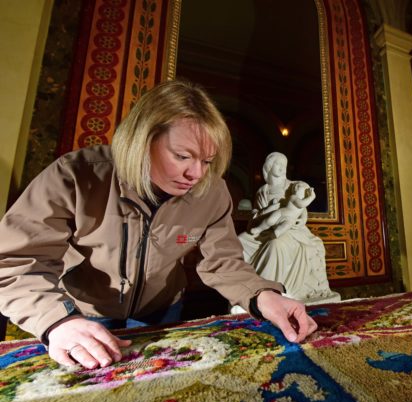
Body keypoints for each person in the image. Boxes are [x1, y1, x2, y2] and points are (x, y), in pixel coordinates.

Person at [0, 80, 317, 370]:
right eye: (182, 156)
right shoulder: (76, 176)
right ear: (142, 139)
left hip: (163, 311)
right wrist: (58, 322)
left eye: (207, 161)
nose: (196, 174)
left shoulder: (213, 191)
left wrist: (262, 295)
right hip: (82, 313)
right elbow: (15, 261)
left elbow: (224, 262)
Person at [238, 152, 336, 303]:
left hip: (291, 230)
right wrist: (259, 215)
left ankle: (267, 293)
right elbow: (258, 214)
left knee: (275, 245)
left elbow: (302, 209)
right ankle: (246, 289)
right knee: (240, 241)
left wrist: (302, 220)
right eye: (277, 164)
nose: (281, 167)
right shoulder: (262, 191)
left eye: (284, 164)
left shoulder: (294, 186)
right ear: (269, 168)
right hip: (266, 229)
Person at [249, 181, 316, 238]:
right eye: (296, 186)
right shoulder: (293, 197)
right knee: (269, 220)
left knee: (286, 225)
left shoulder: (304, 207)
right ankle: (258, 229)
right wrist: (312, 197)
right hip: (281, 212)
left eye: (300, 186)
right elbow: (302, 204)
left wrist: (302, 221)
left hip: (290, 219)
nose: (296, 187)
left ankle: (277, 233)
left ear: (306, 194)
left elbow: (304, 214)